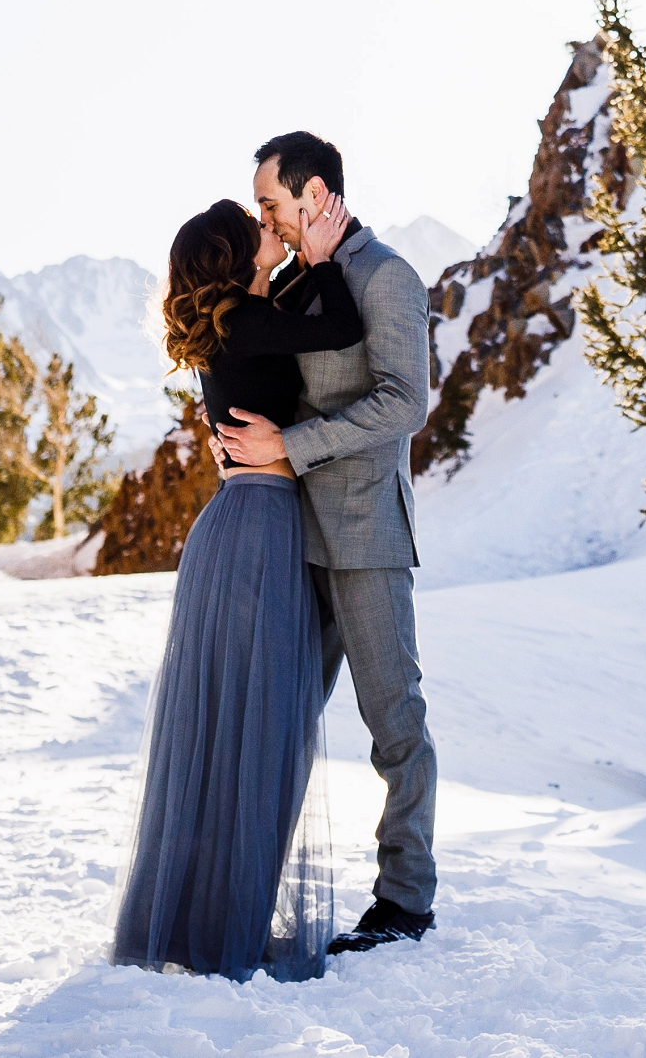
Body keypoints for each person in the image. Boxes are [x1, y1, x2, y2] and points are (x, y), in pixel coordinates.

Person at [108, 200, 337, 979]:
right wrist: (326, 257)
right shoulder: (243, 317)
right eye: (262, 226)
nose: (275, 228)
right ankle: (220, 930)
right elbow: (336, 327)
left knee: (229, 726)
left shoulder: (238, 320)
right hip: (258, 528)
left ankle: (196, 919)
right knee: (254, 723)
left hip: (237, 523)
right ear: (239, 256)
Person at [236, 127, 438, 953]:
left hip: (364, 535)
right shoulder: (293, 284)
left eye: (271, 204)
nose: (267, 219)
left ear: (314, 195)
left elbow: (404, 403)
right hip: (293, 536)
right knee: (279, 720)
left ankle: (405, 900)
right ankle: (246, 888)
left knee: (394, 724)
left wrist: (289, 445)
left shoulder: (387, 277)